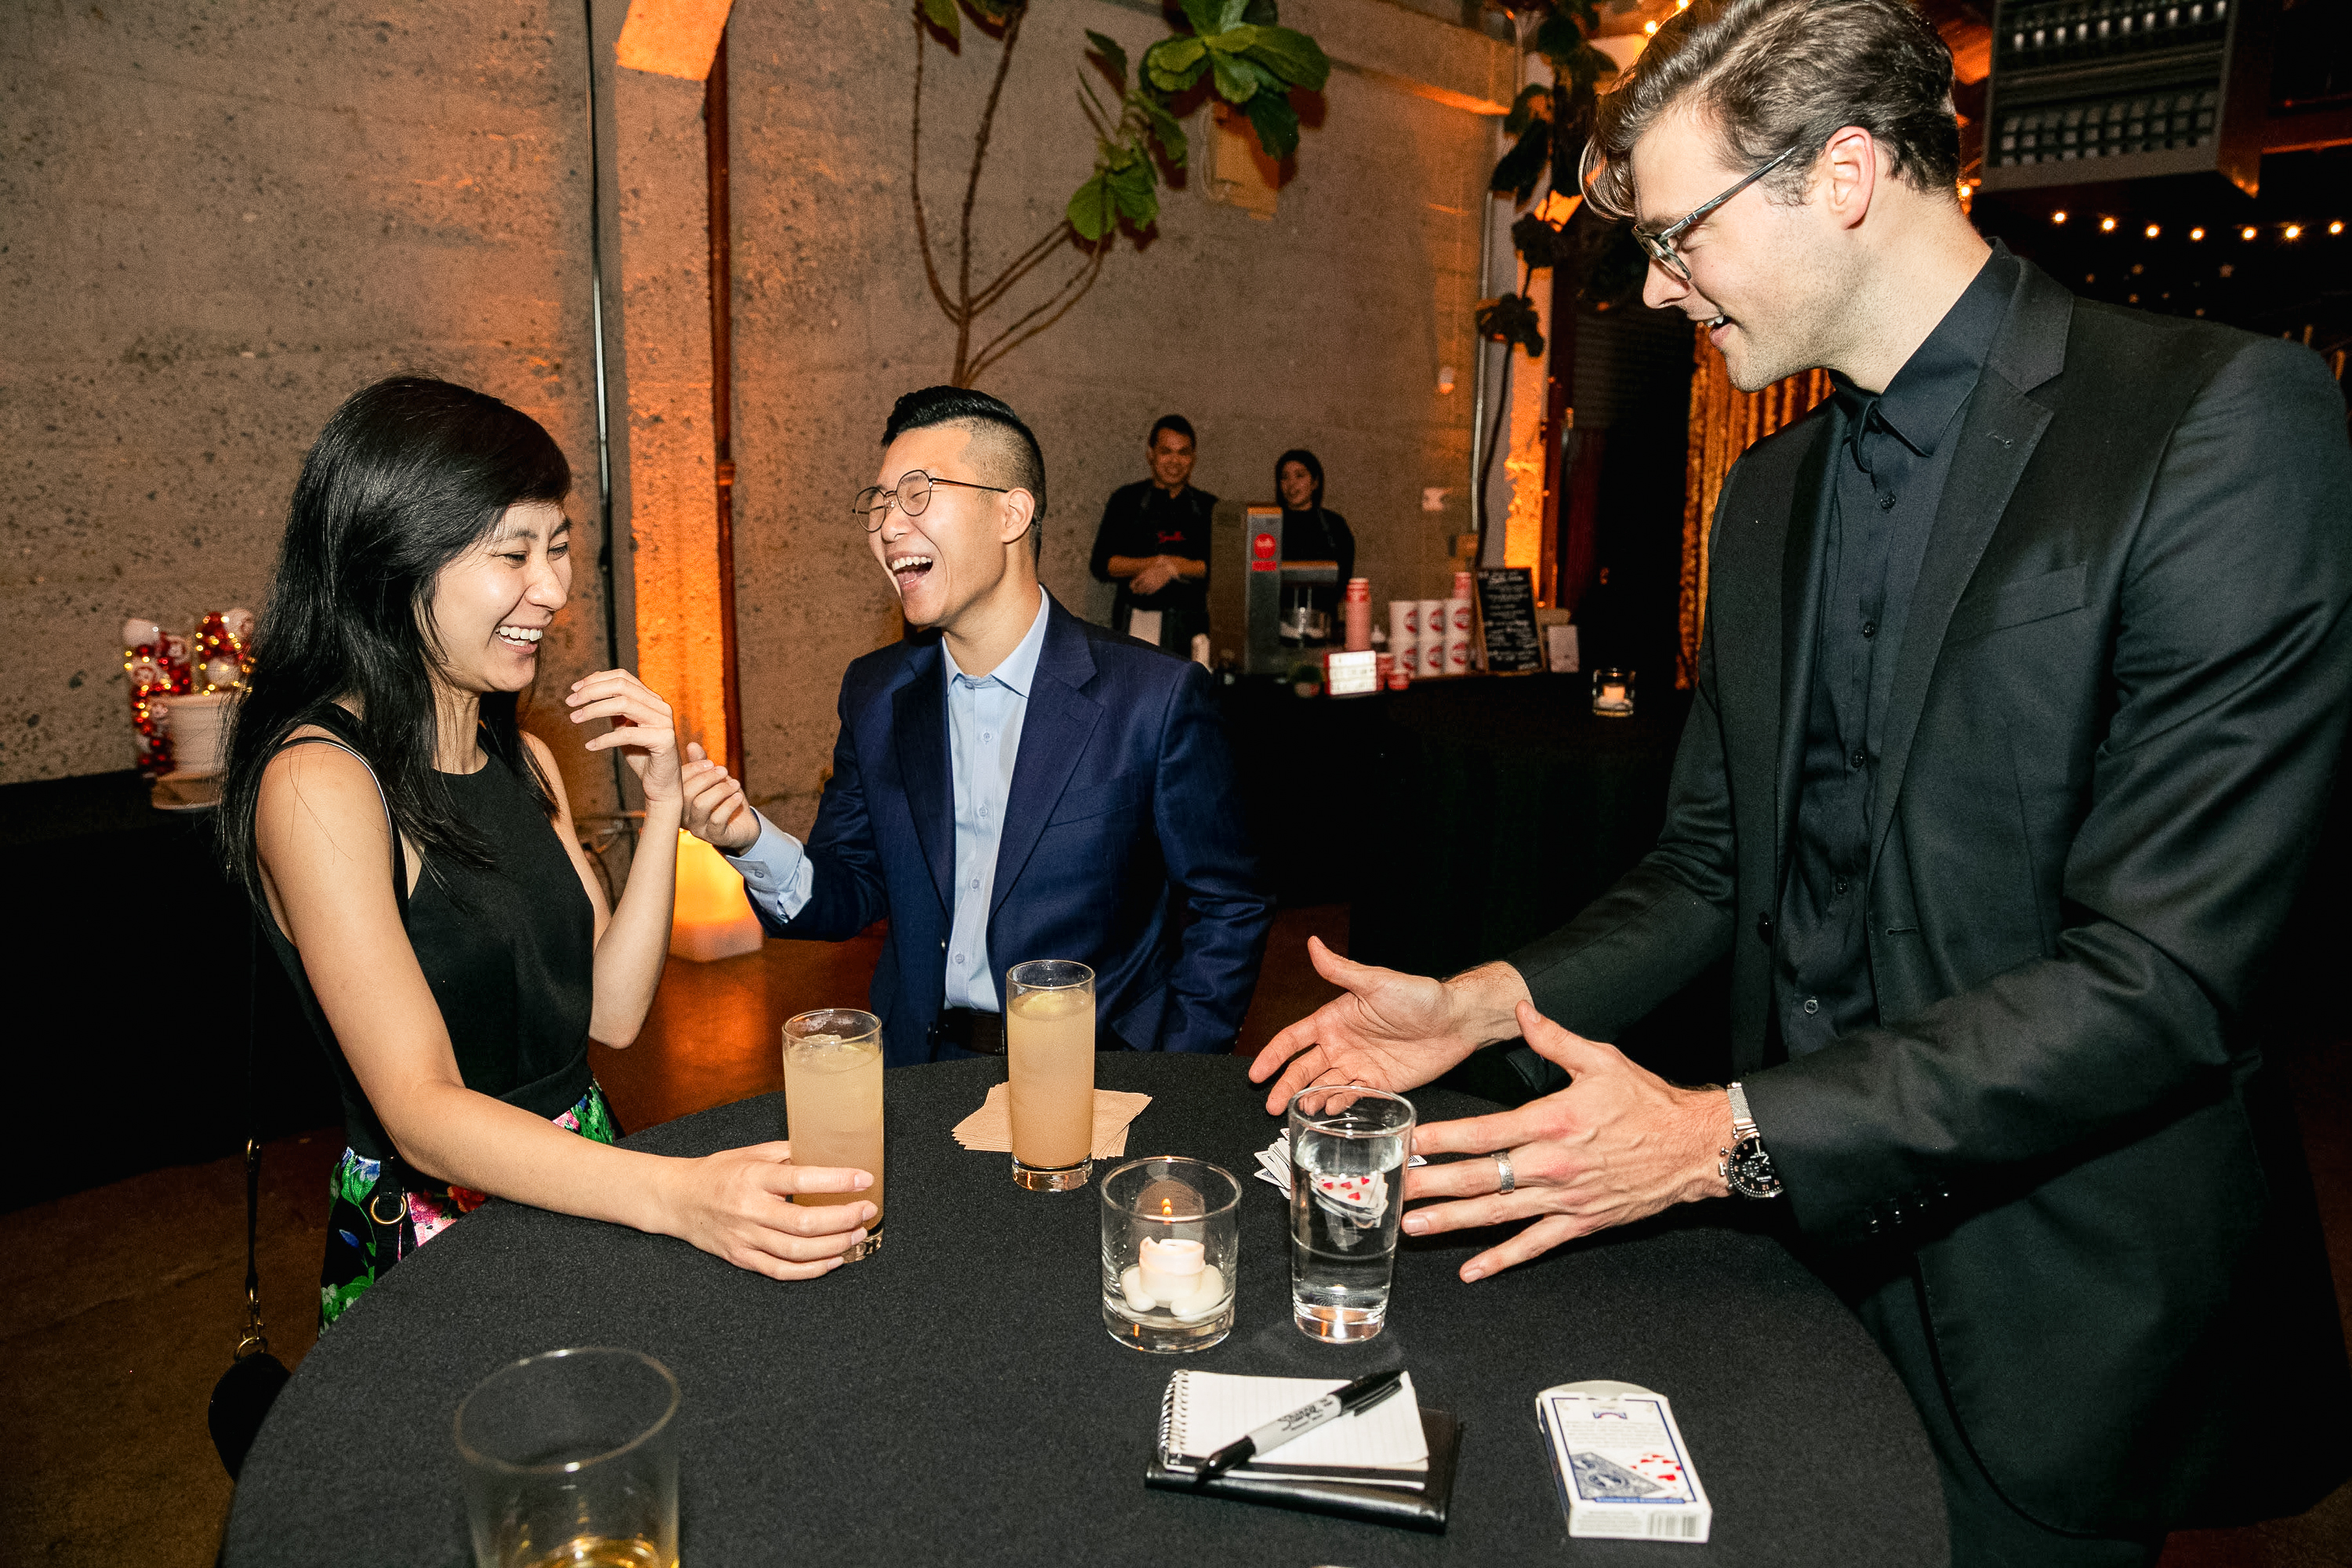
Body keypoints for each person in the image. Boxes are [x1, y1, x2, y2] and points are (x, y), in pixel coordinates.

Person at [1249, 1, 2352, 1561]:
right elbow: (1712, 865)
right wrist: (1486, 998)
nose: (1653, 283)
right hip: (1784, 1270)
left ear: (1844, 174)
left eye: (1679, 232)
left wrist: (1718, 1133)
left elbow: (2166, 978)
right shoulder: (1767, 495)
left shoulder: (2213, 426)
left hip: (2049, 1313)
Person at [218, 377, 875, 1327]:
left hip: (588, 1181)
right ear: (394, 562)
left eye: (560, 549)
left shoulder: (521, 757)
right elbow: (422, 1112)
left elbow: (610, 1010)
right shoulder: (320, 782)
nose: (556, 590)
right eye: (515, 553)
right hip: (439, 1233)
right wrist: (678, 1193)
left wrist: (659, 810)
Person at [680, 387, 1271, 1065]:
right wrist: (749, 838)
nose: (889, 526)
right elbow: (847, 891)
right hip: (920, 1078)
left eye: (917, 492)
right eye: (879, 502)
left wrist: (1176, 1072)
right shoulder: (877, 694)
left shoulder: (1153, 699)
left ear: (1011, 513)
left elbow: (1230, 903)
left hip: (1098, 1080)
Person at [1089, 414, 1215, 651]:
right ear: (1151, 455)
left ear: (1193, 458)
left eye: (1183, 452)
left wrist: (1171, 569)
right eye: (1166, 451)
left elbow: (1219, 568)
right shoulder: (1126, 500)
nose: (1174, 461)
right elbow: (1103, 564)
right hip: (1138, 620)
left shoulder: (1209, 506)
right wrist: (1155, 563)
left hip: (1192, 626)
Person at [1272, 447, 1355, 642]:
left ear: (1315, 482)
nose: (1292, 484)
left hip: (1323, 627)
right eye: (1284, 477)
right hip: (1275, 627)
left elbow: (1343, 576)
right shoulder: (1268, 523)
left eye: (1299, 476)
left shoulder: (1334, 525)